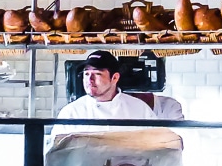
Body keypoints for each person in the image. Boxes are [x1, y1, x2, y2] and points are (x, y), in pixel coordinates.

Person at [56, 50, 184, 123]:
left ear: (115, 78)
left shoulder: (139, 109)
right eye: (86, 74)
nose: (89, 80)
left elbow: (154, 151)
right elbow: (56, 157)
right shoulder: (71, 113)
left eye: (97, 74)